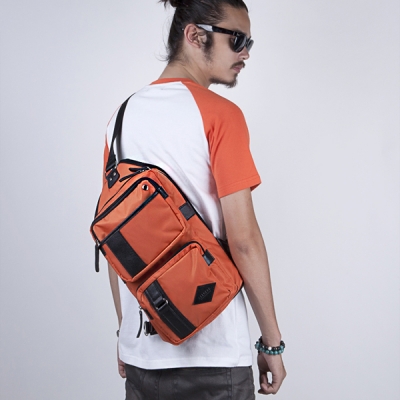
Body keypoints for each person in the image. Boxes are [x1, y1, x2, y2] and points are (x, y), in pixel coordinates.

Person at [106, 0, 286, 398]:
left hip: (141, 356)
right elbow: (244, 240)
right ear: (194, 36)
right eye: (237, 39)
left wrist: (124, 332)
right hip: (214, 354)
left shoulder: (121, 118)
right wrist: (271, 342)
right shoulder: (222, 115)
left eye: (249, 42)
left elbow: (116, 236)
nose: (246, 53)